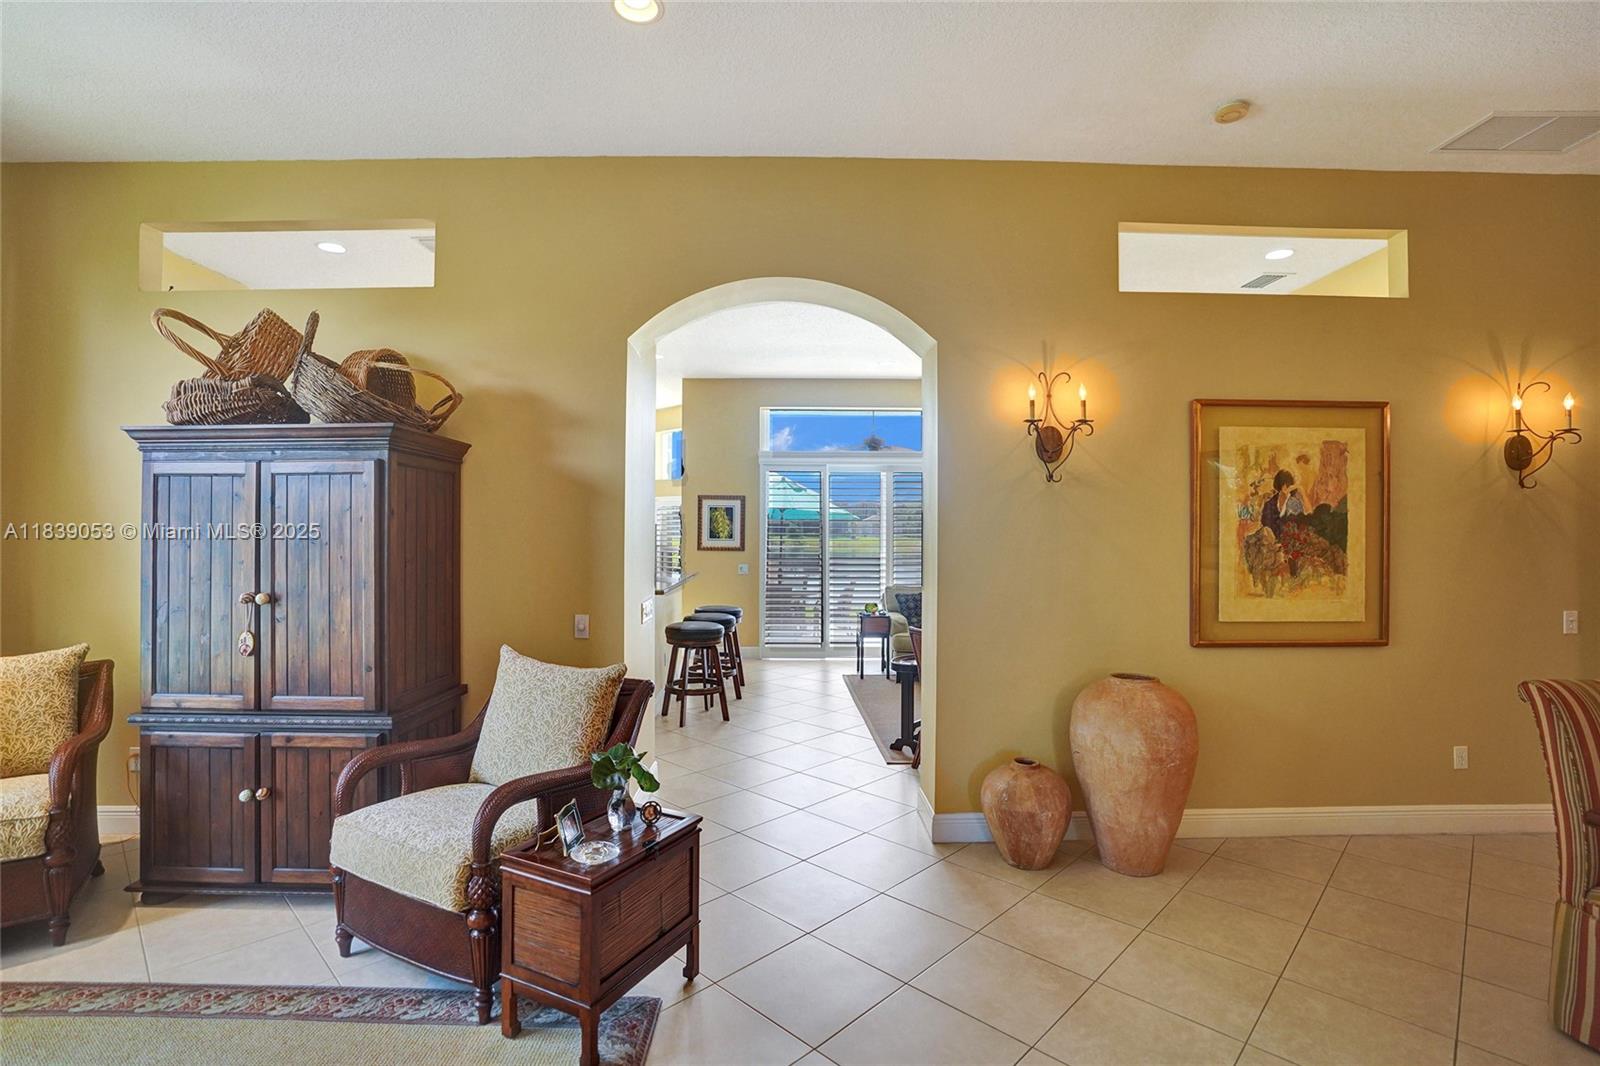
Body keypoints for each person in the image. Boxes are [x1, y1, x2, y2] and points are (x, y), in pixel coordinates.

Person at [1261, 469, 1306, 538]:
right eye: (1282, 484)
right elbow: (1266, 523)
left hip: (1289, 539)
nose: (1285, 487)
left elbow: (1297, 524)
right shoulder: (1269, 503)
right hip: (1270, 539)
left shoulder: (1295, 503)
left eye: (1287, 484)